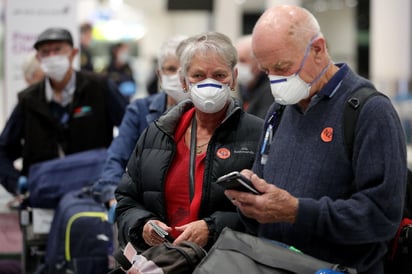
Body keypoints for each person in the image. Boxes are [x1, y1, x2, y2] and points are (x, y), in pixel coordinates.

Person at [226, 5, 407, 274]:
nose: (276, 79)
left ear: (318, 49)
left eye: (283, 67)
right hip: (275, 264)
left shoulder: (369, 112)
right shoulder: (280, 110)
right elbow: (270, 191)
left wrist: (297, 212)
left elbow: (381, 216)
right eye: (267, 71)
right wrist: (252, 202)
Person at [114, 32, 264, 252]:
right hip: (164, 260)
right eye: (198, 75)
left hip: (223, 261)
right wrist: (143, 224)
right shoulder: (157, 133)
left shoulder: (257, 134)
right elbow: (127, 200)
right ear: (184, 81)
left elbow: (267, 212)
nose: (209, 83)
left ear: (233, 77)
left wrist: (212, 228)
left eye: (219, 74)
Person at [0, 27, 127, 197]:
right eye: (46, 52)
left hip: (92, 195)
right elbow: (4, 150)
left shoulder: (99, 87)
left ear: (73, 53)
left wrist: (116, 174)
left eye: (58, 50)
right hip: (44, 197)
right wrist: (17, 183)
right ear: (39, 58)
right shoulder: (28, 100)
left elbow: (130, 132)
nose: (52, 56)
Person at [92, 35, 189, 212]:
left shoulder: (207, 115)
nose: (177, 76)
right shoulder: (139, 111)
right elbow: (116, 159)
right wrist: (114, 198)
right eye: (170, 69)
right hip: (144, 209)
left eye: (184, 70)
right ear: (160, 75)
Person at [235, 35, 273, 119]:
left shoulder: (270, 91)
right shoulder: (245, 87)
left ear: (258, 61)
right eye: (235, 61)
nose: (238, 66)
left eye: (242, 60)